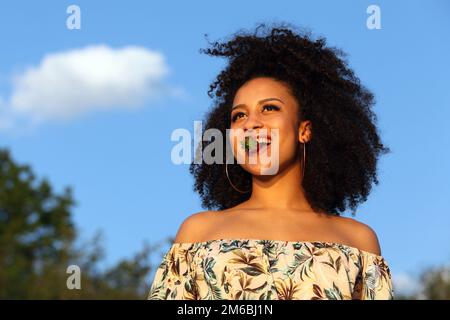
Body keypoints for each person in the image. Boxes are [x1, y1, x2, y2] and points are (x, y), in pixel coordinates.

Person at [148, 23, 394, 300]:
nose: (251, 123)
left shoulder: (359, 243)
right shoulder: (199, 233)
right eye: (238, 115)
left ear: (305, 129)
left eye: (269, 108)